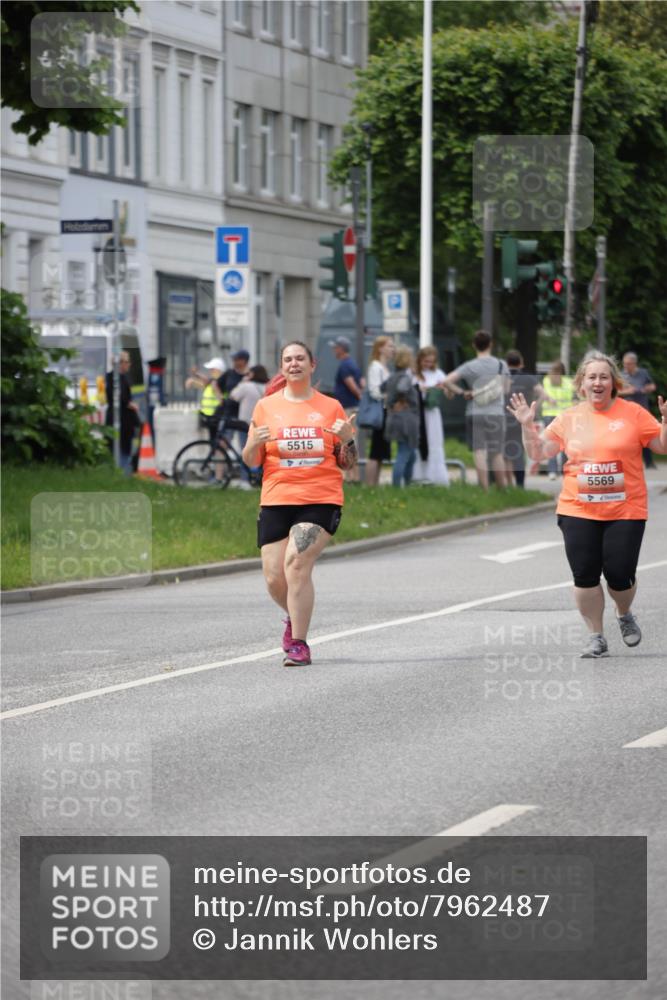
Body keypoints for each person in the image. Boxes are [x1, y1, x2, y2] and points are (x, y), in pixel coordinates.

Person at [508, 351, 667, 659]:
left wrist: (665, 422)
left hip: (626, 509)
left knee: (620, 574)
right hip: (577, 508)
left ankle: (624, 612)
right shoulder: (569, 418)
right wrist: (527, 426)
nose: (597, 382)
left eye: (604, 377)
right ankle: (596, 635)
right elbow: (540, 453)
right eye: (591, 377)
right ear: (581, 383)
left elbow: (661, 446)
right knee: (585, 574)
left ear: (614, 383)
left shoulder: (632, 413)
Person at [242, 341, 357, 667]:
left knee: (296, 563)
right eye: (288, 359)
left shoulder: (330, 407)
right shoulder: (265, 407)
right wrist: (252, 443)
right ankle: (295, 616)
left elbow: (348, 463)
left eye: (300, 359)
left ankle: (299, 644)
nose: (294, 364)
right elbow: (251, 460)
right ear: (281, 367)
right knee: (274, 578)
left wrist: (348, 438)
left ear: (312, 365)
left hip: (320, 498)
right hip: (277, 498)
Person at [442, 330, 510, 489]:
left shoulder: (469, 366)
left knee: (479, 450)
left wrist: (462, 392)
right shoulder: (501, 365)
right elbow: (506, 389)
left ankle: (484, 488)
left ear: (474, 345)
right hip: (495, 413)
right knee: (497, 452)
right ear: (491, 344)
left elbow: (446, 381)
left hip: (475, 412)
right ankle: (502, 488)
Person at [503, 350, 544, 488]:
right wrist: (533, 410)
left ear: (506, 363)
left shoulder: (502, 377)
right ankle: (520, 485)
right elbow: (542, 394)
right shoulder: (528, 378)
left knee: (505, 453)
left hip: (503, 418)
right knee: (518, 452)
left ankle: (508, 486)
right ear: (521, 363)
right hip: (520, 420)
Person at [413, 346, 450, 486]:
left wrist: (443, 388)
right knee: (420, 441)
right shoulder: (414, 374)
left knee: (434, 441)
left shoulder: (438, 373)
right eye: (425, 361)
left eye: (431, 362)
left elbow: (449, 391)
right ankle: (418, 476)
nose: (428, 364)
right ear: (420, 360)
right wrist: (422, 389)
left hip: (432, 412)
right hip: (419, 413)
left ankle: (435, 476)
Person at [383, 346, 420, 487]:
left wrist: (391, 402)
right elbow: (402, 388)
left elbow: (382, 387)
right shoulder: (405, 376)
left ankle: (407, 484)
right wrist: (402, 400)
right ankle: (397, 486)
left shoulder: (392, 376)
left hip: (395, 418)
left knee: (411, 454)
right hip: (406, 419)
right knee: (404, 454)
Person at [330, 335, 364, 483]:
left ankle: (352, 476)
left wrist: (361, 398)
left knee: (347, 439)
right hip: (352, 407)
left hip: (348, 408)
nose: (333, 350)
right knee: (351, 439)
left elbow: (352, 385)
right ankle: (353, 475)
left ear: (341, 349)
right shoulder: (353, 364)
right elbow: (362, 382)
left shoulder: (344, 365)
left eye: (335, 347)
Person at [230, 365, 269, 489]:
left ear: (252, 374)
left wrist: (243, 381)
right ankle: (258, 477)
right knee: (262, 452)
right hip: (263, 424)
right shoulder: (267, 387)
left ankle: (245, 479)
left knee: (246, 451)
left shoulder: (246, 386)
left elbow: (233, 395)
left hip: (245, 423)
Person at [618, 352, 657, 469]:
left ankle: (649, 463)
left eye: (628, 364)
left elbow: (652, 386)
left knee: (644, 436)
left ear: (634, 363)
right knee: (626, 436)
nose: (626, 366)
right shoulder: (621, 375)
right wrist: (628, 392)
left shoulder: (643, 373)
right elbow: (615, 392)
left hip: (642, 410)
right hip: (626, 411)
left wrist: (647, 388)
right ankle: (625, 462)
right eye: (624, 364)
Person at [365, 336, 395, 486]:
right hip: (380, 411)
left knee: (382, 450)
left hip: (387, 411)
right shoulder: (375, 366)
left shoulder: (385, 368)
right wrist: (389, 396)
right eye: (390, 346)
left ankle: (375, 484)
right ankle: (370, 484)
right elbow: (374, 391)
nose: (392, 349)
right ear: (380, 348)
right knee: (375, 450)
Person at [105, 351, 140, 475]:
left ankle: (123, 471)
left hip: (124, 421)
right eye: (127, 362)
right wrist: (129, 404)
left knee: (124, 448)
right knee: (119, 449)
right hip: (121, 420)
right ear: (120, 363)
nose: (129, 364)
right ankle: (121, 474)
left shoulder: (123, 377)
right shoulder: (113, 378)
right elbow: (118, 396)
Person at [540, 361, 574, 479]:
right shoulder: (569, 382)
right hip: (564, 416)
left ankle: (552, 471)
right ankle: (565, 470)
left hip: (549, 415)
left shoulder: (546, 380)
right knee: (565, 444)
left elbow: (545, 396)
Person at [185, 357, 224, 442]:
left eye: (212, 370)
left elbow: (221, 399)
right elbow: (205, 383)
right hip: (211, 417)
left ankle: (218, 454)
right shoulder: (213, 382)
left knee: (217, 442)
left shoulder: (220, 383)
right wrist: (195, 377)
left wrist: (195, 376)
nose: (211, 372)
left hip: (216, 417)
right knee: (213, 441)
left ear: (218, 370)